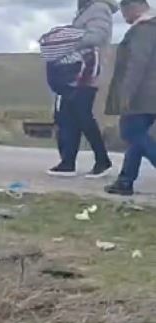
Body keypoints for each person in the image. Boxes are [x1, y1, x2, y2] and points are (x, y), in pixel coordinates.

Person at [46, 0, 117, 178]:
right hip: (76, 72)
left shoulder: (98, 9)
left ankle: (102, 160)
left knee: (82, 115)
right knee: (68, 116)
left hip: (87, 72)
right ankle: (68, 162)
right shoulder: (87, 10)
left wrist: (66, 41)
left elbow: (98, 36)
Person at [104, 0, 156, 196]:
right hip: (150, 93)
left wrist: (126, 93)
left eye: (124, 12)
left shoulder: (144, 29)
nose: (123, 17)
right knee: (137, 137)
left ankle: (125, 181)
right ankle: (125, 181)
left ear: (133, 7)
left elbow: (137, 63)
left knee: (131, 133)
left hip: (143, 94)